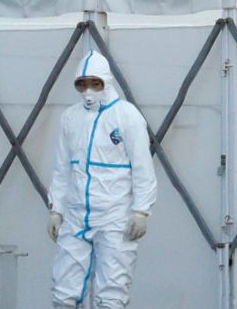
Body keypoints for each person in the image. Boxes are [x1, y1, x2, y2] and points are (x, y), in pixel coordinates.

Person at [47, 50, 157, 309]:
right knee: (63, 294)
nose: (88, 90)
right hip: (75, 216)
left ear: (106, 82)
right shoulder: (71, 117)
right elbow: (62, 168)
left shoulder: (127, 116)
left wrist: (141, 210)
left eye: (95, 83)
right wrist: (56, 209)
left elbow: (143, 168)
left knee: (111, 295)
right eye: (82, 84)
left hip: (114, 216)